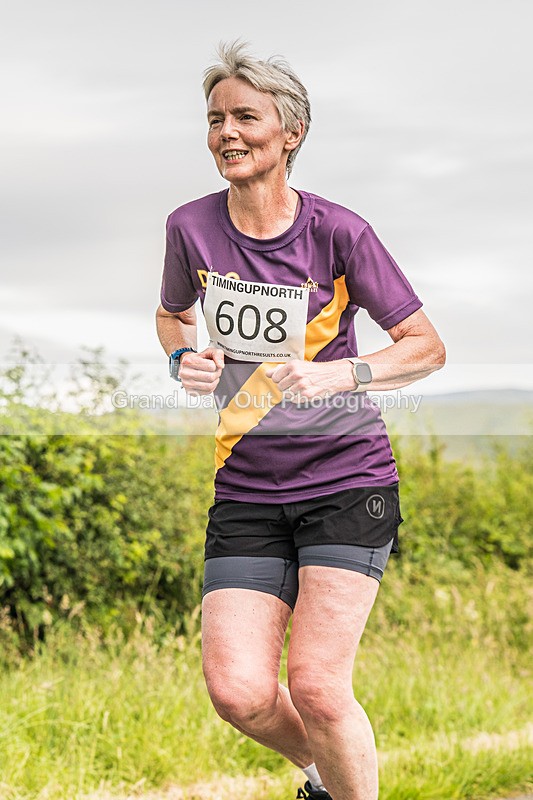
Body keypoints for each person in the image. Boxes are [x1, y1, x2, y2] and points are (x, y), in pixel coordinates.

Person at [156, 41, 445, 800]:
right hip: (247, 487)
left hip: (346, 482)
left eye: (246, 117)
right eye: (215, 118)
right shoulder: (189, 227)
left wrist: (340, 372)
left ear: (290, 132)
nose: (227, 132)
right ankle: (325, 776)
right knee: (239, 693)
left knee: (317, 688)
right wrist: (182, 360)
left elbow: (425, 347)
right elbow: (169, 316)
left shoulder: (338, 232)